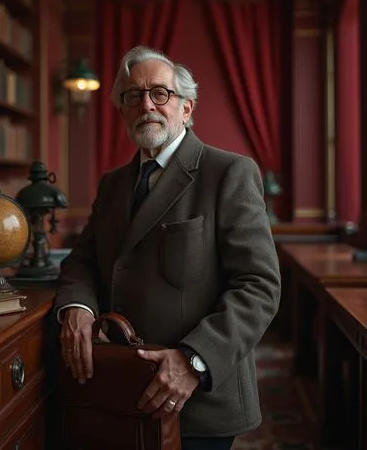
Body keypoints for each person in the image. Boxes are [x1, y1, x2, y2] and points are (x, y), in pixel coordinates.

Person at [54, 45, 281, 450]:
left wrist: (193, 361)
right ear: (122, 110)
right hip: (119, 387)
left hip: (197, 396)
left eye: (160, 93)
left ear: (186, 109)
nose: (147, 104)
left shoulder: (229, 172)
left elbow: (259, 286)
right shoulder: (113, 184)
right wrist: (77, 307)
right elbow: (82, 259)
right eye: (132, 95)